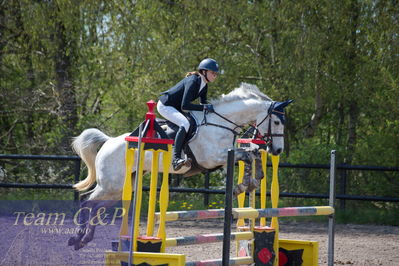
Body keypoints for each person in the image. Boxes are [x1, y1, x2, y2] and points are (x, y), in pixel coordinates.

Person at [157, 58, 220, 171]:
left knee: (195, 123)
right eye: (213, 73)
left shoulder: (204, 85)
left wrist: (215, 111)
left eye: (216, 74)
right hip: (165, 105)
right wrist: (205, 107)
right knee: (185, 123)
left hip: (175, 107)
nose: (215, 76)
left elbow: (203, 104)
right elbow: (185, 106)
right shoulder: (193, 81)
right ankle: (176, 159)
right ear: (204, 72)